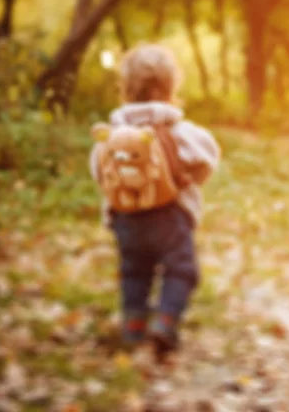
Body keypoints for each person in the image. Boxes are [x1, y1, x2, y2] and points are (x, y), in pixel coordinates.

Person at [89, 44, 220, 354]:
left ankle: (133, 327)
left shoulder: (113, 131)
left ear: (126, 88)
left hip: (125, 219)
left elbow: (98, 170)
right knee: (181, 270)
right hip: (170, 215)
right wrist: (188, 181)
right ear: (171, 87)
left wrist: (124, 192)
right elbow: (208, 157)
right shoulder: (177, 129)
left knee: (135, 271)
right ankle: (165, 322)